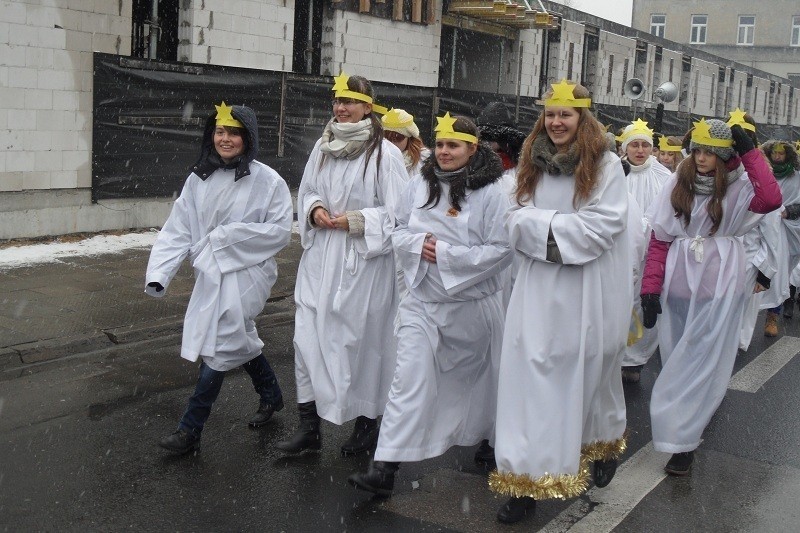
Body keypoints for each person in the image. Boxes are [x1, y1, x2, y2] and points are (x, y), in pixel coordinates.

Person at [489, 80, 632, 524]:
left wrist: (537, 225)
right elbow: (510, 216)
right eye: (550, 115)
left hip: (584, 289)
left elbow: (599, 230)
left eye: (566, 115)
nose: (556, 122)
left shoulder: (605, 167)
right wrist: (545, 225)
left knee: (587, 373)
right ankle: (523, 482)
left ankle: (600, 443)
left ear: (583, 119)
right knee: (528, 380)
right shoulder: (531, 164)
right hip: (535, 288)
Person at [347, 113, 512, 496]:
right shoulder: (419, 183)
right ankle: (384, 467)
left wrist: (449, 255)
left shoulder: (494, 192)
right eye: (440, 144)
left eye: (453, 145)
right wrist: (417, 245)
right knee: (407, 380)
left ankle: (489, 437)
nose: (444, 152)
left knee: (482, 383)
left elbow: (502, 249)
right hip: (422, 301)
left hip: (472, 308)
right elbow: (397, 227)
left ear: (472, 149)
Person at [146, 101, 293, 454]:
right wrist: (160, 273)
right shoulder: (198, 178)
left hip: (248, 274)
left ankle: (190, 431)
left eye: (233, 133)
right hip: (211, 276)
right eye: (220, 131)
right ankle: (271, 395)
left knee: (221, 341)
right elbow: (178, 228)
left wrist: (225, 240)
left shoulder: (268, 181)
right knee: (236, 335)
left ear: (248, 137)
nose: (225, 139)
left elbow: (278, 232)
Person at [276, 73, 408, 457]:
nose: (341, 108)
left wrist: (360, 220)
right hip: (320, 261)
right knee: (307, 341)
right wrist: (314, 209)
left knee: (361, 344)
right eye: (337, 101)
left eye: (349, 102)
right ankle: (308, 428)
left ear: (368, 107)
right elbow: (309, 189)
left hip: (362, 266)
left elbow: (401, 215)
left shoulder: (386, 155)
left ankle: (367, 424)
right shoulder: (323, 147)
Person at [640, 119, 781, 476]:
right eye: (697, 151)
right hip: (679, 282)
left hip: (720, 281)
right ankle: (683, 424)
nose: (701, 158)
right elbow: (660, 239)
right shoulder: (679, 182)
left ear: (724, 156)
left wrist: (749, 152)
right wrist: (650, 289)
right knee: (676, 359)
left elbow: (771, 199)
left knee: (703, 360)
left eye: (709, 152)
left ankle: (684, 441)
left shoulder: (742, 187)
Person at [618, 119, 672, 384]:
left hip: (651, 250)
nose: (640, 150)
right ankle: (614, 353)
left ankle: (635, 359)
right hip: (619, 248)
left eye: (645, 145)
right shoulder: (613, 173)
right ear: (625, 147)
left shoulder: (665, 177)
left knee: (643, 302)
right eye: (634, 144)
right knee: (618, 301)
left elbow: (667, 214)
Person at [761, 140, 800, 320]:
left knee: (780, 273)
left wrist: (788, 212)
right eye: (774, 153)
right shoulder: (763, 173)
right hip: (762, 228)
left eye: (781, 153)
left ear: (788, 155)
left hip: (787, 231)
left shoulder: (796, 176)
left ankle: (773, 315)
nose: (777, 157)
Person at [381, 108, 429, 179]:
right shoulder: (374, 158)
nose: (391, 143)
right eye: (386, 137)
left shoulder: (424, 161)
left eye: (397, 137)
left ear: (409, 137)